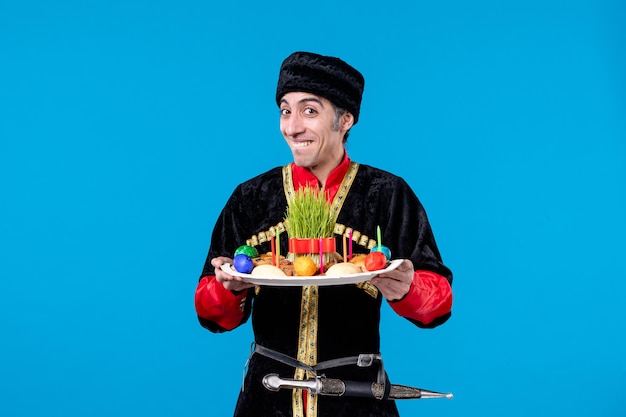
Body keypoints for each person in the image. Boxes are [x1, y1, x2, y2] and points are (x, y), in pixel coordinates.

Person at [195, 51, 453, 417]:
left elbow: (438, 302)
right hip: (267, 399)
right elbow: (211, 314)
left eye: (310, 111)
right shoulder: (251, 197)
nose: (292, 127)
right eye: (286, 110)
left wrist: (408, 290)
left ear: (345, 119)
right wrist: (227, 288)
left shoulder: (387, 193)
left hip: (357, 398)